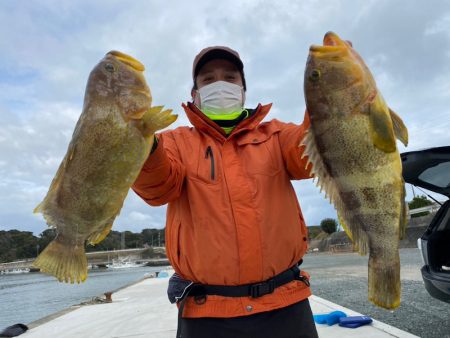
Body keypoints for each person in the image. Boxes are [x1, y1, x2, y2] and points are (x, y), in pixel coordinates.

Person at [132, 46, 319, 338]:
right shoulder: (173, 142)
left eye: (230, 77)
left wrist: (331, 95)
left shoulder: (278, 136)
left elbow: (313, 153)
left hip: (286, 303)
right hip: (206, 313)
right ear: (195, 94)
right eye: (208, 79)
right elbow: (157, 189)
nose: (220, 84)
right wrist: (144, 146)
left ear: (243, 90)